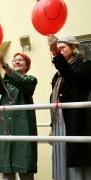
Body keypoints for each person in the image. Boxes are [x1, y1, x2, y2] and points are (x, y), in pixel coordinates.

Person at [0, 52, 38, 180]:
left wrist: (4, 64)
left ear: (27, 66)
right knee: (7, 170)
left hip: (23, 128)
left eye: (21, 60)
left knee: (25, 168)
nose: (16, 61)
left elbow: (21, 81)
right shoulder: (7, 83)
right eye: (14, 60)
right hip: (5, 129)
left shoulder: (30, 80)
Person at [48, 35, 91, 180]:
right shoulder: (57, 75)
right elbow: (54, 102)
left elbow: (73, 77)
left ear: (74, 48)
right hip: (60, 124)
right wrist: (52, 127)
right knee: (60, 167)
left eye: (62, 48)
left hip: (75, 123)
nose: (59, 51)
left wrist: (55, 53)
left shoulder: (86, 65)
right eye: (57, 48)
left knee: (77, 170)